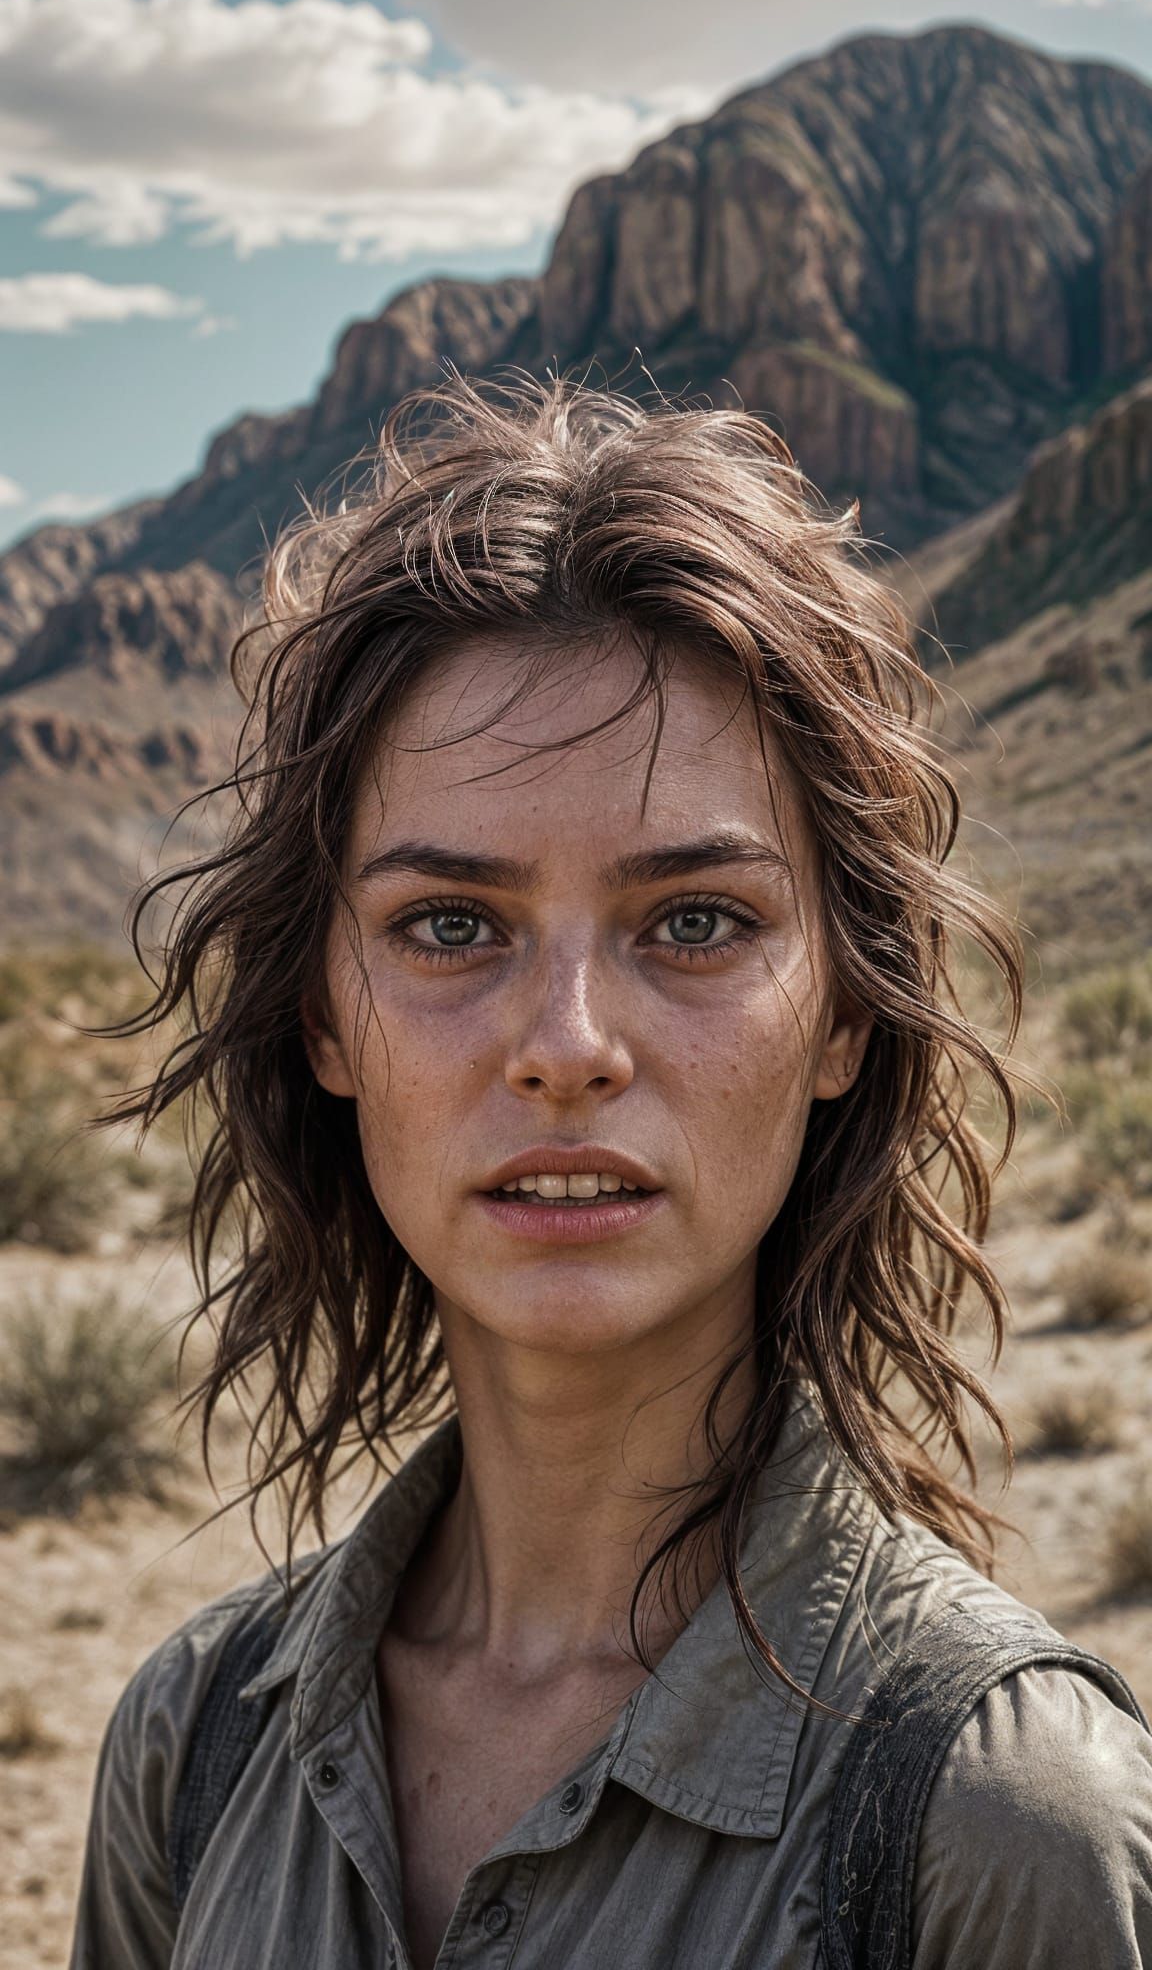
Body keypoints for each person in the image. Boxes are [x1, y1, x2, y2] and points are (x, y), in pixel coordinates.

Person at [70, 370, 1152, 1970]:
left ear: (844, 1015)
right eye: (451, 925)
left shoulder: (997, 1820)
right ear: (324, 1020)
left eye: (695, 921)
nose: (567, 1046)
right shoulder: (195, 1747)